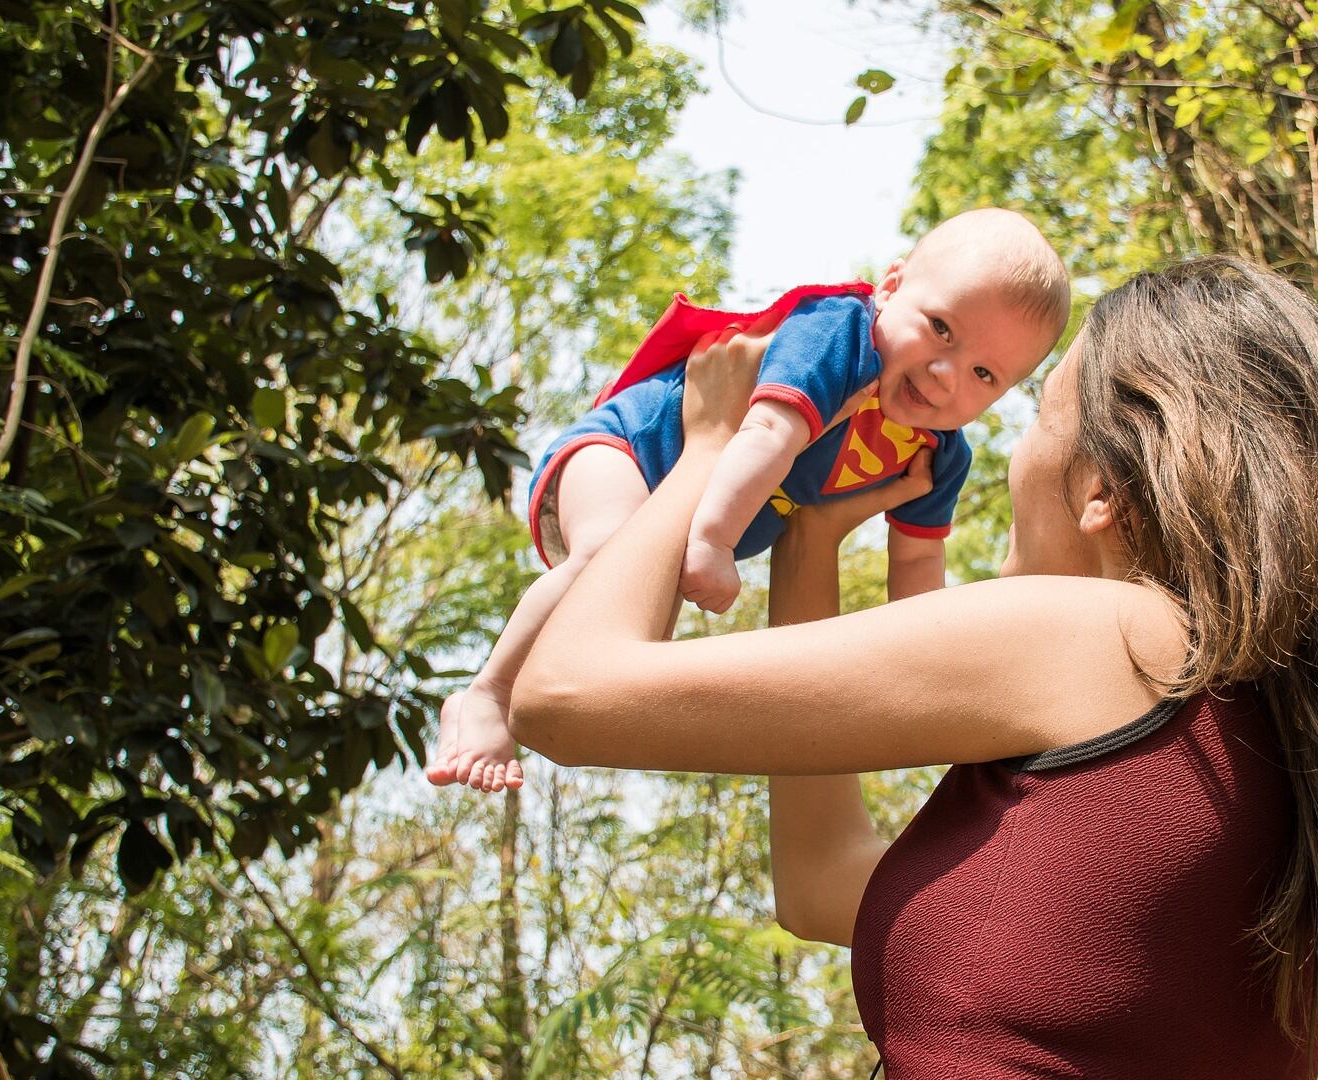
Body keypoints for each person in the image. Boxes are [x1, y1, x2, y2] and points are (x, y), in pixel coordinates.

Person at [506, 256, 1318, 1079]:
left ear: (1101, 492)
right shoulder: (1270, 746)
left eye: (1036, 414)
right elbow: (825, 884)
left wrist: (707, 448)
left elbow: (567, 695)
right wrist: (809, 541)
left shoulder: (1107, 637)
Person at [427, 208, 1069, 792]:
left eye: (985, 374)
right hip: (629, 449)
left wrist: (933, 676)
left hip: (683, 514)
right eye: (940, 329)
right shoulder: (839, 336)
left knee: (630, 635)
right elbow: (766, 432)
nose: (946, 373)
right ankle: (487, 693)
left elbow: (918, 572)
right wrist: (713, 540)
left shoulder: (937, 455)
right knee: (605, 552)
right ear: (892, 286)